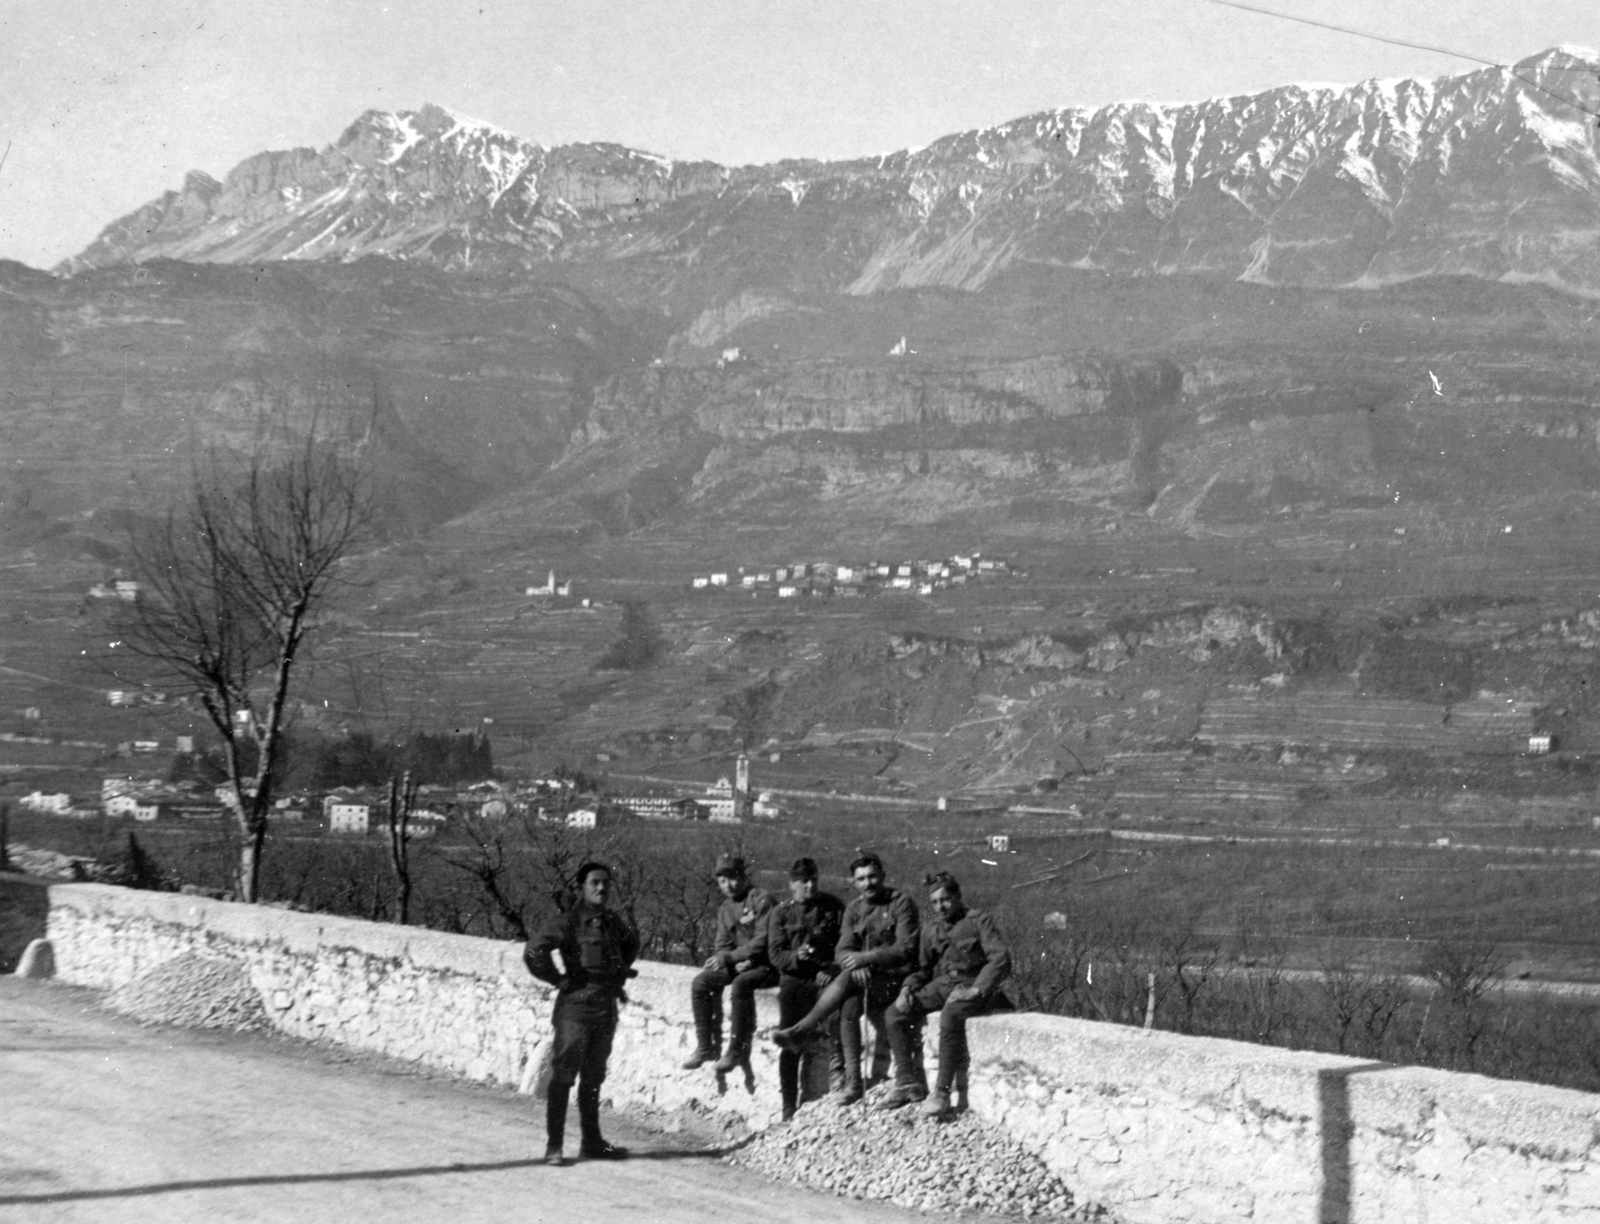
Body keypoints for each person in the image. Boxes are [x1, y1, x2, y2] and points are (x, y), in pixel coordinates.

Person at [770, 852, 919, 1104]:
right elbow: (842, 950)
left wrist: (867, 958)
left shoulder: (901, 903)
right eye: (861, 879)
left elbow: (906, 948)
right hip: (864, 980)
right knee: (848, 1008)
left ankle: (804, 1029)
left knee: (848, 985)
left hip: (897, 979)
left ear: (882, 876)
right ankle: (852, 1081)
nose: (867, 883)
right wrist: (854, 961)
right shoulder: (853, 909)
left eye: (872, 876)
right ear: (854, 882)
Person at [524, 860, 640, 1165]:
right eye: (594, 883)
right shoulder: (569, 921)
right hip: (574, 1008)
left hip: (605, 1006)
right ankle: (554, 1146)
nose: (601, 888)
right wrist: (558, 979)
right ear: (581, 887)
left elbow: (631, 942)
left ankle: (592, 1142)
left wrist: (618, 972)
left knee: (593, 1077)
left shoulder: (613, 921)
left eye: (605, 882)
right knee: (563, 1076)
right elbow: (534, 950)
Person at [881, 871, 1011, 1117]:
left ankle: (941, 1092)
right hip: (942, 986)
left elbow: (1000, 959)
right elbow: (922, 969)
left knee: (950, 1017)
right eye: (935, 902)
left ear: (958, 897)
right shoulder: (931, 930)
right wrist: (907, 988)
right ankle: (906, 1081)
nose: (941, 906)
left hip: (974, 985)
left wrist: (976, 989)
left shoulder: (977, 920)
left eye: (946, 899)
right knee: (895, 1013)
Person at [764, 856, 847, 1120]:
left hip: (824, 978)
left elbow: (846, 946)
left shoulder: (833, 908)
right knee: (789, 1039)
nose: (809, 886)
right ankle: (789, 1105)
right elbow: (776, 956)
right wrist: (797, 956)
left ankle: (838, 1091)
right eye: (802, 882)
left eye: (813, 880)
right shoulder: (780, 913)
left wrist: (831, 968)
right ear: (791, 884)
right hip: (794, 980)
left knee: (839, 1019)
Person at [683, 853, 777, 1073]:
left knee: (740, 985)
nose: (728, 885)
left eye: (733, 878)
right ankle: (705, 1046)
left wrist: (736, 959)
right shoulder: (725, 909)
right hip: (739, 965)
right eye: (722, 881)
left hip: (767, 965)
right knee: (701, 982)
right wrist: (731, 962)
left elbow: (763, 941)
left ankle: (735, 1050)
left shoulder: (761, 900)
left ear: (743, 876)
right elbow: (722, 944)